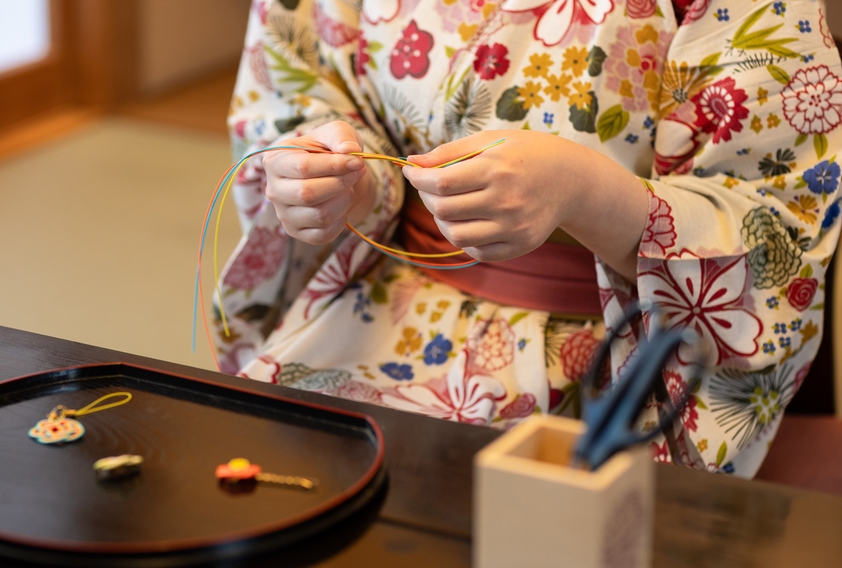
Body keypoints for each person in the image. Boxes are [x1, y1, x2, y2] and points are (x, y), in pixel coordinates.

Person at [218, 0, 842, 478]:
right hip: (372, 312)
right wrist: (338, 183)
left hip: (608, 362)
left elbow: (774, 224)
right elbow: (294, 85)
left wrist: (588, 193)